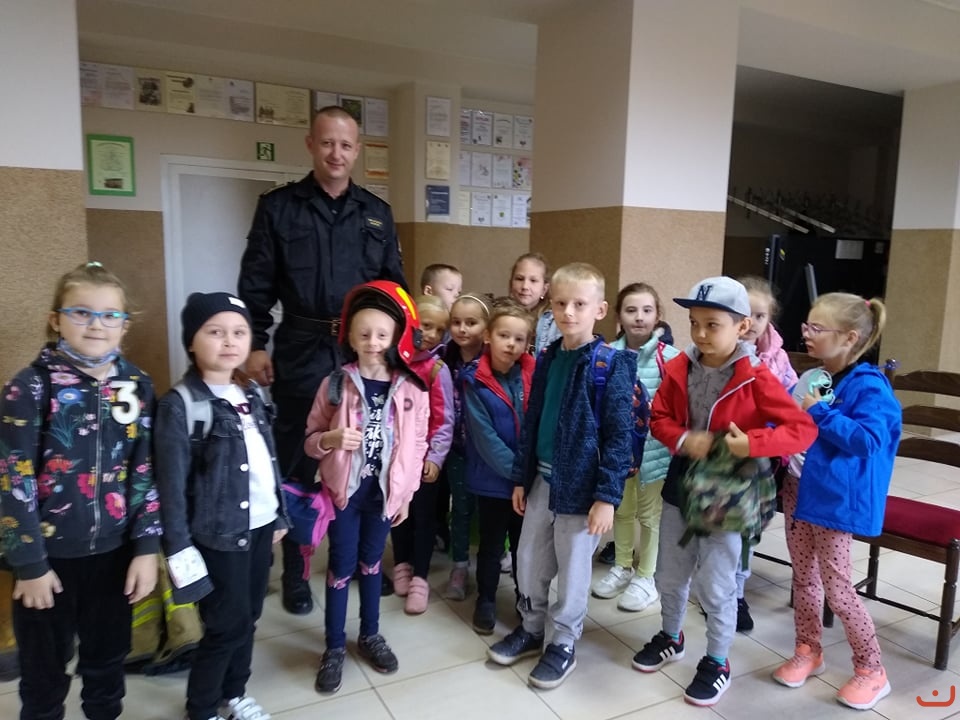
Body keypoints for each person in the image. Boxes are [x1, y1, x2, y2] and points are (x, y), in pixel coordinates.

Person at [238, 105, 406, 615]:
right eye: (328, 142)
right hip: (301, 346)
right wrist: (256, 343)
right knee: (300, 459)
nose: (337, 153)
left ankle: (354, 559)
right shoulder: (279, 208)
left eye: (346, 145)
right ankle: (295, 571)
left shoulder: (376, 213)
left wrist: (396, 353)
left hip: (364, 351)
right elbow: (255, 283)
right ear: (311, 144)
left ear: (358, 150)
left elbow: (394, 289)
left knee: (364, 453)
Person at [631, 276, 817, 707]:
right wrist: (683, 439)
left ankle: (717, 660)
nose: (700, 333)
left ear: (742, 327)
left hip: (729, 492)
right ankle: (671, 635)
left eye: (712, 324)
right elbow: (659, 418)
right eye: (694, 323)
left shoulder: (757, 376)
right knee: (669, 573)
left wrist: (752, 443)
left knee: (716, 583)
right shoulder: (679, 367)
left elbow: (802, 429)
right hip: (682, 483)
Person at [0, 261, 161, 720]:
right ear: (56, 320)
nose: (96, 324)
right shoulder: (30, 387)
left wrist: (146, 549)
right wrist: (30, 564)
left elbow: (145, 470)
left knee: (107, 663)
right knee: (44, 673)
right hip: (48, 562)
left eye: (110, 315)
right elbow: (12, 478)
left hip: (115, 556)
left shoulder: (136, 385)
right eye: (82, 312)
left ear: (125, 325)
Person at [486, 263, 637, 689]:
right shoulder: (549, 357)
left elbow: (619, 436)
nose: (569, 312)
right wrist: (522, 477)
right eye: (560, 303)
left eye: (580, 304)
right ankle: (532, 628)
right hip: (541, 481)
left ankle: (564, 642)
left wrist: (607, 497)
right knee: (529, 561)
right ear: (549, 306)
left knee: (572, 572)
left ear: (600, 310)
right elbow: (533, 421)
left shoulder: (612, 364)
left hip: (582, 491)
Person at [154, 292, 291, 720]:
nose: (229, 341)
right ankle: (201, 709)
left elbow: (269, 460)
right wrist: (178, 547)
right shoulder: (180, 406)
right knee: (225, 625)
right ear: (191, 341)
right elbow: (171, 487)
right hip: (217, 536)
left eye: (239, 332)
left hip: (260, 525)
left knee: (249, 616)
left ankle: (234, 694)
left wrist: (279, 514)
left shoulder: (251, 393)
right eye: (215, 332)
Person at [772, 294, 900, 711]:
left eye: (817, 328)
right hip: (799, 490)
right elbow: (789, 414)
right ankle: (808, 650)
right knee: (803, 579)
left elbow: (868, 441)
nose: (806, 334)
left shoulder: (869, 387)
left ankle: (872, 670)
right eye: (806, 326)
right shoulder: (815, 376)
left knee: (839, 590)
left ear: (849, 338)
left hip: (834, 501)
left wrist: (821, 413)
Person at [306, 282, 428, 695]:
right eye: (364, 334)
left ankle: (370, 634)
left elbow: (418, 444)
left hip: (383, 497)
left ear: (397, 337)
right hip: (344, 496)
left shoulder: (412, 388)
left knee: (373, 565)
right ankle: (334, 645)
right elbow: (310, 440)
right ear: (350, 336)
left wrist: (406, 494)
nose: (373, 342)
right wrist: (330, 439)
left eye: (381, 334)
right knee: (342, 567)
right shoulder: (335, 384)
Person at [591, 283, 679, 612]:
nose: (639, 317)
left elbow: (677, 408)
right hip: (619, 454)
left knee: (650, 517)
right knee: (623, 511)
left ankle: (647, 576)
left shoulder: (671, 358)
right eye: (631, 310)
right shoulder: (607, 355)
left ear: (657, 315)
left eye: (646, 310)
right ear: (618, 316)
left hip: (655, 454)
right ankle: (623, 566)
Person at [724, 275, 799, 632]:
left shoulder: (779, 359)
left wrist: (766, 435)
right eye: (746, 314)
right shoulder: (719, 351)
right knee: (717, 524)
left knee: (746, 528)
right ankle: (716, 586)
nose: (752, 323)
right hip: (722, 453)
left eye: (761, 316)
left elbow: (789, 407)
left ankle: (736, 593)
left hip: (761, 457)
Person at [460, 299, 535, 635]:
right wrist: (518, 473)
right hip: (493, 481)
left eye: (519, 339)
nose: (511, 344)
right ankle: (486, 599)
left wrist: (528, 475)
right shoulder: (474, 380)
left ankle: (524, 598)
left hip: (526, 482)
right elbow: (485, 438)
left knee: (523, 546)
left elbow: (536, 424)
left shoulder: (533, 372)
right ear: (489, 336)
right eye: (504, 336)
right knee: (491, 545)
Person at [390, 295, 454, 615]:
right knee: (396, 514)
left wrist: (435, 457)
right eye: (426, 326)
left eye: (440, 330)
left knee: (423, 517)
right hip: (394, 459)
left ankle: (420, 576)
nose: (432, 334)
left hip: (424, 460)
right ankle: (401, 563)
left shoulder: (437, 369)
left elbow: (445, 420)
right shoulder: (392, 362)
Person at [440, 294, 490, 600]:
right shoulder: (444, 360)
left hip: (487, 453)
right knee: (460, 508)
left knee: (489, 510)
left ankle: (493, 557)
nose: (462, 329)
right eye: (456, 322)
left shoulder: (493, 361)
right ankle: (459, 565)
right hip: (457, 450)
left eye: (471, 323)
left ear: (486, 328)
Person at [508, 253, 560, 354]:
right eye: (519, 279)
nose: (525, 286)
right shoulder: (500, 316)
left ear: (544, 289)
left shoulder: (553, 323)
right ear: (511, 284)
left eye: (533, 280)